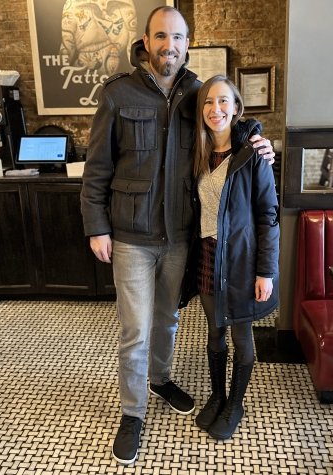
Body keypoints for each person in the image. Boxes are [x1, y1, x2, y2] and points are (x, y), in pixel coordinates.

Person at [80, 7, 275, 465]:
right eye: (161, 36)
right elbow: (96, 171)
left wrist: (257, 136)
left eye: (179, 37)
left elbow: (225, 122)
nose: (170, 45)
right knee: (135, 329)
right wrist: (96, 227)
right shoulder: (116, 95)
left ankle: (161, 378)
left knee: (168, 319)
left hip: (181, 236)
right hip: (129, 235)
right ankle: (132, 414)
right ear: (146, 41)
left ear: (188, 43)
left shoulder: (195, 93)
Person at [191, 75, 280, 440]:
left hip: (241, 259)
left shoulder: (254, 154)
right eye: (209, 102)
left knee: (242, 337)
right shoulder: (195, 152)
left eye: (224, 101)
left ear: (237, 107)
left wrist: (266, 272)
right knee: (214, 333)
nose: (216, 109)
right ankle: (217, 395)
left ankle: (235, 403)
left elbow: (268, 215)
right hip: (206, 255)